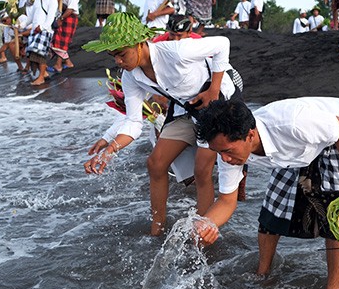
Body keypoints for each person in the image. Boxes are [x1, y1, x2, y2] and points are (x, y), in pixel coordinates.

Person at [194, 97, 339, 289]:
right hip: (297, 149)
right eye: (218, 152)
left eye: (227, 151)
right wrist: (205, 223)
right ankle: (263, 273)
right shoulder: (229, 150)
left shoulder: (293, 124)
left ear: (250, 135)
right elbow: (226, 201)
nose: (223, 159)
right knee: (273, 208)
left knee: (336, 213)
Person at [82, 13, 241, 236]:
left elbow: (223, 44)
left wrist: (213, 90)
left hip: (216, 98)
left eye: (121, 54)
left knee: (202, 169)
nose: (118, 61)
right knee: (155, 163)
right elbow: (134, 121)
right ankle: (156, 229)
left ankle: (203, 231)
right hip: (185, 107)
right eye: (113, 56)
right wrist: (109, 150)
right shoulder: (131, 76)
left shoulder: (177, 51)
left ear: (139, 44)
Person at [25, 0, 57, 85]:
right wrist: (22, 25)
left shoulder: (52, 0)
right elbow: (31, 16)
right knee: (32, 54)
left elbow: (50, 18)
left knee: (40, 54)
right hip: (35, 30)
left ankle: (41, 77)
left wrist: (42, 27)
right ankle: (44, 74)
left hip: (45, 31)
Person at [50, 0, 80, 73]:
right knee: (58, 39)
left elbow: (71, 9)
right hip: (64, 16)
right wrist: (59, 1)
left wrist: (61, 19)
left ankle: (58, 64)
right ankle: (68, 62)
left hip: (69, 17)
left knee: (63, 41)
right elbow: (64, 7)